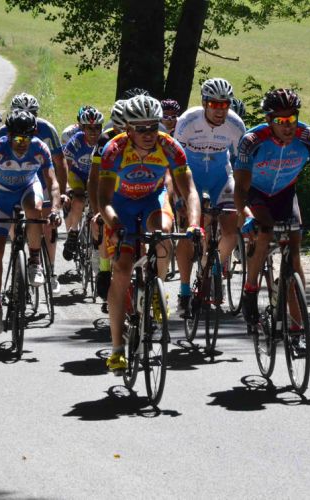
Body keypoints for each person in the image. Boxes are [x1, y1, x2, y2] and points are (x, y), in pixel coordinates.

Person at [98, 95, 201, 373]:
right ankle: (117, 348)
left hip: (152, 200)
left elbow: (190, 190)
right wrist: (115, 225)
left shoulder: (169, 147)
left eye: (153, 127)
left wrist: (194, 224)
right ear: (128, 129)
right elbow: (103, 199)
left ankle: (157, 286)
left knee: (164, 232)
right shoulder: (114, 149)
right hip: (120, 205)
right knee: (121, 270)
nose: (148, 134)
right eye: (141, 129)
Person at [233, 88, 310, 325]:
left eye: (292, 118)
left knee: (294, 253)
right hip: (256, 193)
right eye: (281, 121)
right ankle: (250, 289)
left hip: (285, 193)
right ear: (268, 119)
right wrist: (246, 214)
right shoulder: (252, 141)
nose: (288, 126)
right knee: (265, 232)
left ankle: (297, 328)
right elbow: (240, 187)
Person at [0, 110, 61, 335]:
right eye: (17, 138)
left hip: (28, 188)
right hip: (1, 195)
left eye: (26, 138)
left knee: (35, 209)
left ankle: (35, 261)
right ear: (9, 135)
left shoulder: (40, 148)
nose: (22, 143)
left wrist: (55, 209)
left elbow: (53, 183)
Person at [174, 77, 246, 316]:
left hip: (220, 178)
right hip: (191, 178)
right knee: (188, 231)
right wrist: (179, 196)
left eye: (224, 104)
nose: (220, 110)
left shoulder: (235, 125)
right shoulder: (187, 121)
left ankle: (211, 264)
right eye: (214, 104)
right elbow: (174, 160)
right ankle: (185, 290)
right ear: (204, 103)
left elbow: (242, 163)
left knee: (231, 229)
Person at [0, 92, 68, 294]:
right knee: (14, 227)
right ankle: (18, 268)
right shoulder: (4, 131)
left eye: (32, 113)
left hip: (42, 180)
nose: (27, 117)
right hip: (14, 180)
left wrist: (62, 192)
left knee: (48, 226)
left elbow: (60, 162)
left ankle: (51, 272)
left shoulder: (47, 128)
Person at [88, 99, 127, 304]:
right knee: (104, 224)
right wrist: (97, 211)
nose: (123, 132)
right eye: (118, 127)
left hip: (132, 189)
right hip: (110, 188)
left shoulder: (141, 138)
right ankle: (104, 270)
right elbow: (94, 179)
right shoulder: (105, 139)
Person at [62, 106, 104, 261]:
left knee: (99, 205)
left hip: (96, 177)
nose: (94, 132)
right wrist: (66, 188)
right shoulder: (76, 141)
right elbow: (66, 164)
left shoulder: (104, 141)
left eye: (97, 128)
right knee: (79, 199)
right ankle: (73, 232)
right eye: (89, 128)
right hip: (77, 175)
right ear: (83, 128)